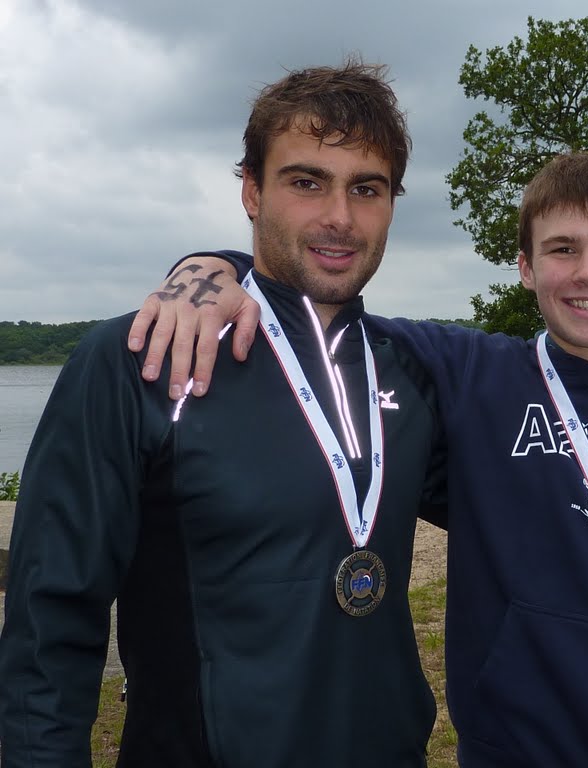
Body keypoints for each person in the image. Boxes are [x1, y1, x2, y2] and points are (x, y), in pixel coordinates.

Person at [137, 153, 588, 765]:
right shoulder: (470, 378)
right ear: (526, 268)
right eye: (562, 249)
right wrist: (212, 269)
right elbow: (315, 310)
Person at [0, 62, 449, 766]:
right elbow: (48, 619)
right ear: (251, 190)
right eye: (307, 182)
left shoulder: (412, 370)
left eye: (367, 188)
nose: (340, 216)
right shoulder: (139, 361)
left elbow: (536, 495)